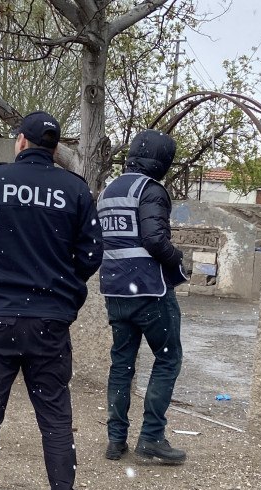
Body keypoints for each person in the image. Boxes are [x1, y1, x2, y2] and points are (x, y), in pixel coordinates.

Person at [0, 111, 102, 490]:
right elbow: (91, 254)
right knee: (55, 419)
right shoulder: (75, 190)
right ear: (55, 148)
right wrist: (62, 284)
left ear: (20, 141)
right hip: (49, 321)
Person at [99, 130, 190, 465]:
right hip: (149, 291)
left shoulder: (108, 191)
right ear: (162, 161)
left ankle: (115, 439)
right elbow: (154, 239)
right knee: (168, 359)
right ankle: (151, 436)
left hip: (115, 291)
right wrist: (177, 259)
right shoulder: (151, 190)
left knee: (121, 364)